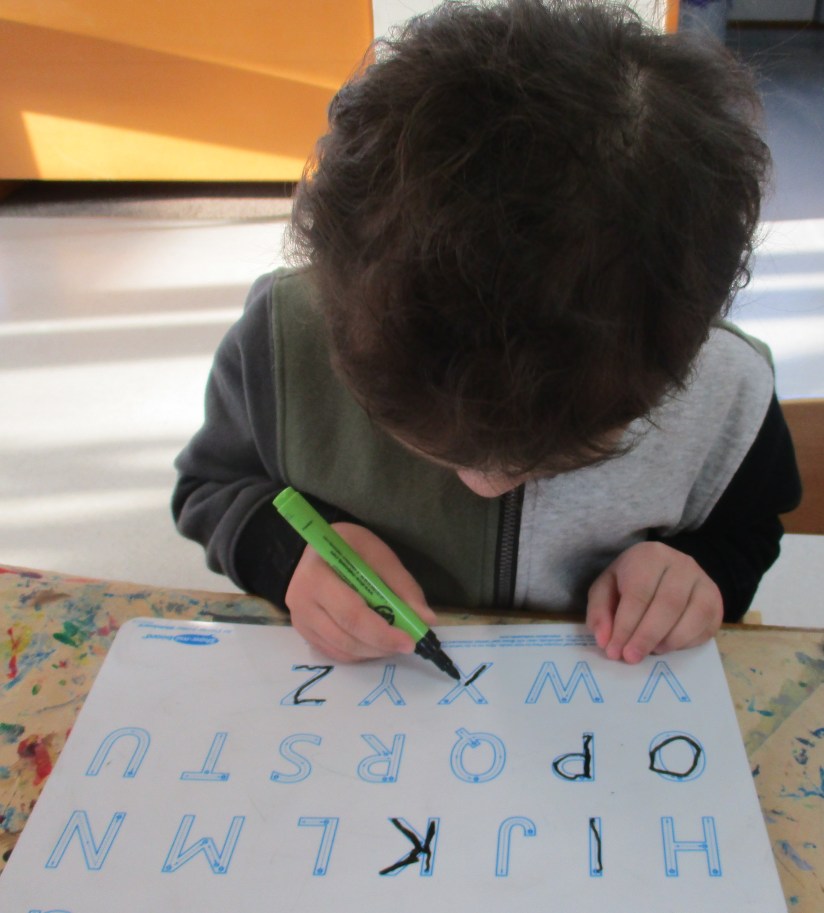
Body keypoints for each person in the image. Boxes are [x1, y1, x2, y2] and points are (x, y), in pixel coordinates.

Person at [172, 0, 801, 669]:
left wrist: (701, 573)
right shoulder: (283, 341)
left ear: (683, 356)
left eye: (556, 457)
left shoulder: (725, 392)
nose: (485, 484)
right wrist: (287, 556)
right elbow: (211, 488)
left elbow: (747, 529)